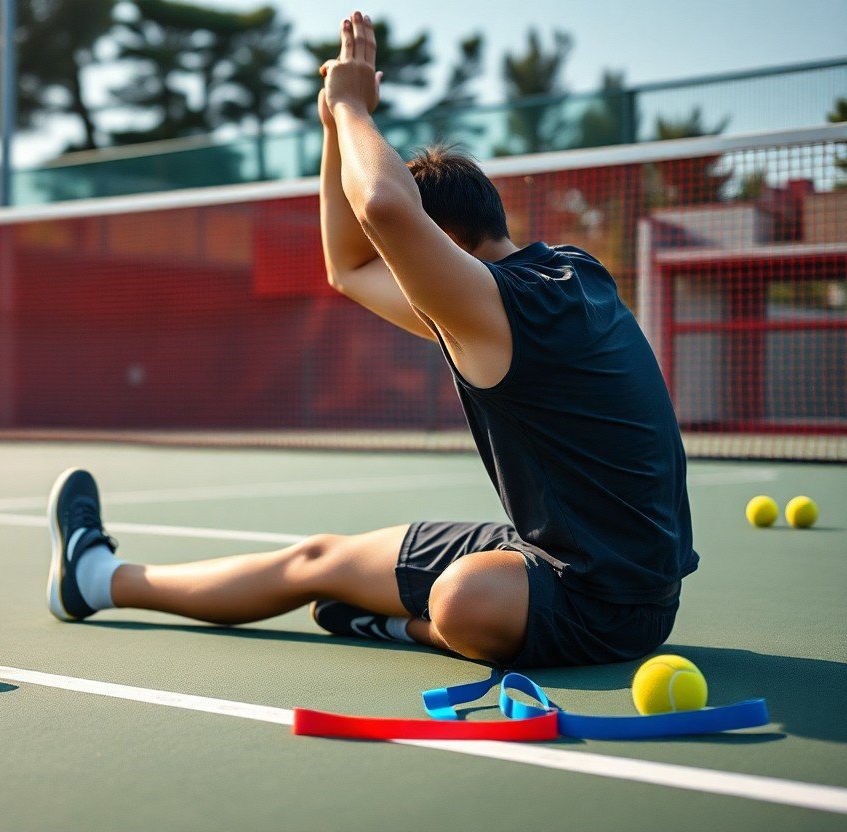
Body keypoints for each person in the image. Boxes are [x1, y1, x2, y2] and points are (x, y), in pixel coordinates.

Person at [45, 11, 697, 668]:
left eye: (411, 252)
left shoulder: (494, 312)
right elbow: (348, 268)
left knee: (462, 597)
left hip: (609, 605)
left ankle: (412, 629)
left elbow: (385, 209)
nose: (398, 259)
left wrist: (355, 103)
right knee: (318, 558)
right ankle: (97, 579)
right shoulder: (566, 271)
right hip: (558, 552)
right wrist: (334, 125)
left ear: (439, 246)